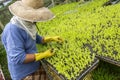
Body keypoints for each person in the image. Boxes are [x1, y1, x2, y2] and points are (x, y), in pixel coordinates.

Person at [1, 0, 63, 80]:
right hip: (25, 75)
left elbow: (38, 39)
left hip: (35, 66)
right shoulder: (12, 30)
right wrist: (43, 55)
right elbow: (18, 58)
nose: (36, 19)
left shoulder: (27, 25)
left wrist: (51, 38)